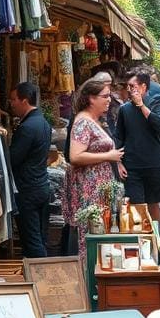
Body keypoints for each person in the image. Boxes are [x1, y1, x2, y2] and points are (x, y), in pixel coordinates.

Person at [64, 78, 125, 262]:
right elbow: (75, 156)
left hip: (97, 186)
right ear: (91, 98)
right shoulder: (83, 121)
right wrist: (108, 156)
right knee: (89, 233)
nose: (109, 100)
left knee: (98, 231)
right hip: (89, 187)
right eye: (105, 96)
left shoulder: (93, 120)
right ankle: (89, 277)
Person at [115, 70, 160, 225]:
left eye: (132, 86)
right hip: (132, 165)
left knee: (154, 203)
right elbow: (119, 137)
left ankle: (156, 239)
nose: (129, 89)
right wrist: (118, 162)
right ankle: (139, 240)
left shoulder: (156, 103)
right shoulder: (124, 109)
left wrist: (142, 106)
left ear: (143, 87)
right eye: (128, 86)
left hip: (154, 163)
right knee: (135, 204)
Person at [8, 82, 52, 258]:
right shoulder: (42, 123)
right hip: (41, 186)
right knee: (40, 238)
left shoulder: (27, 128)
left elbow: (13, 159)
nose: (11, 104)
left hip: (28, 191)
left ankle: (40, 281)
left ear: (24, 101)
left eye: (13, 99)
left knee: (32, 242)